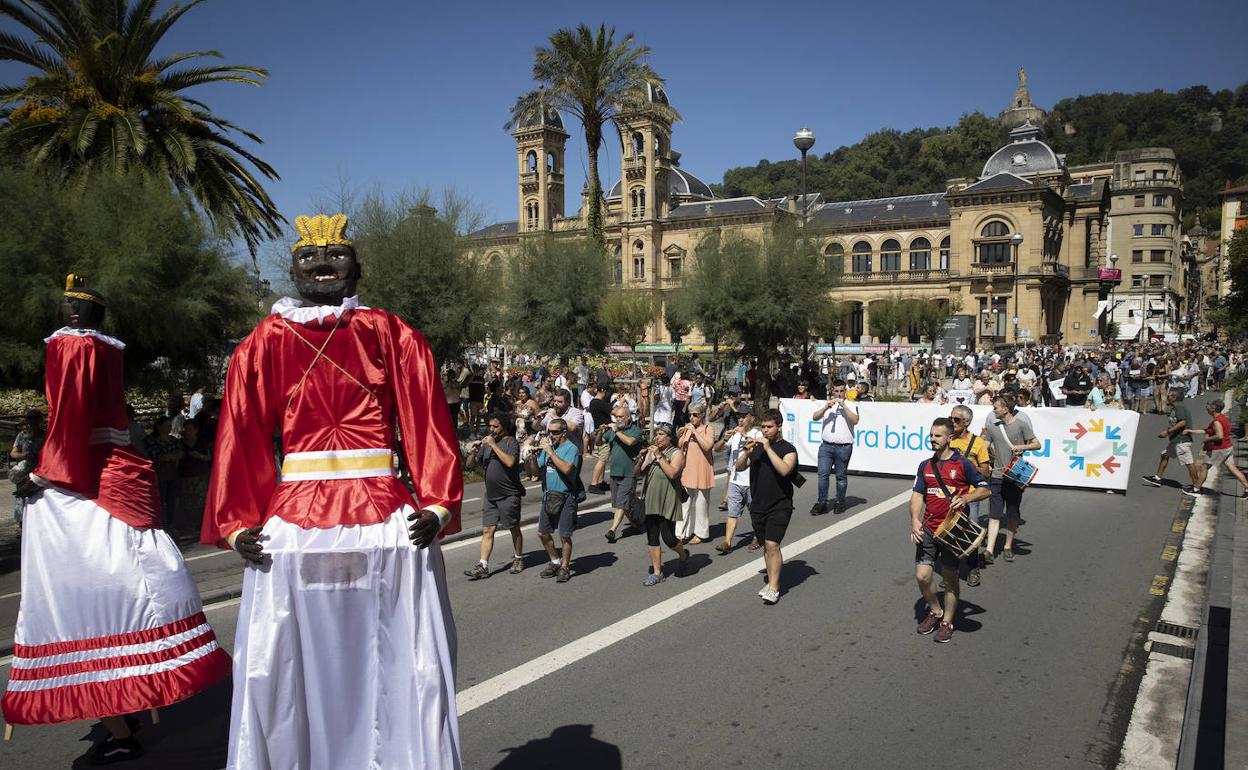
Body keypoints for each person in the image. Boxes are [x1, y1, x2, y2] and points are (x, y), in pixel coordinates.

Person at [201, 215, 463, 768]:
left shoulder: (393, 334)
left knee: (398, 659)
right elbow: (239, 432)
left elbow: (426, 420)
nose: (322, 266)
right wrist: (237, 521)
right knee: (286, 662)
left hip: (388, 517)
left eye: (336, 257)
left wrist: (437, 503)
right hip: (294, 524)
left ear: (358, 268)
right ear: (292, 268)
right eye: (308, 259)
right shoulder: (262, 343)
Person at [3, 276, 229, 763]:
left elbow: (71, 417)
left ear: (88, 316)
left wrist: (45, 476)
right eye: (67, 304)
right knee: (113, 578)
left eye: (77, 306)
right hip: (117, 470)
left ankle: (117, 715)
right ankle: (123, 702)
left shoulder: (74, 348)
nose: (71, 312)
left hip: (87, 475)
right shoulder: (107, 350)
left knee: (67, 593)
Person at [911, 417, 991, 644]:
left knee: (950, 578)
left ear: (949, 438)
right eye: (931, 435)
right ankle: (935, 611)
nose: (933, 439)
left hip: (953, 532)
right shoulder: (925, 465)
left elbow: (985, 490)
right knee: (922, 576)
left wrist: (967, 497)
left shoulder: (963, 464)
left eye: (937, 436)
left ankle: (947, 621)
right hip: (928, 529)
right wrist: (915, 520)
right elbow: (917, 495)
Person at [735, 409, 798, 605]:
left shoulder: (788, 449)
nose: (765, 430)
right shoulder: (756, 447)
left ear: (779, 427)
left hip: (780, 504)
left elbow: (785, 469)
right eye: (763, 427)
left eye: (769, 427)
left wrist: (768, 447)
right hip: (758, 504)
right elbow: (739, 467)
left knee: (773, 545)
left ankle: (774, 587)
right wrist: (746, 451)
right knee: (766, 546)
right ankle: (771, 580)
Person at [464, 413, 526, 579]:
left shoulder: (510, 442)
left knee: (513, 527)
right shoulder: (487, 445)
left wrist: (494, 445)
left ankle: (518, 558)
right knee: (488, 529)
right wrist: (474, 451)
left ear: (504, 427)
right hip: (491, 495)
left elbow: (510, 462)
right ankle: (483, 565)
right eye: (490, 426)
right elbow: (470, 466)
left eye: (495, 426)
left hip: (509, 494)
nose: (491, 429)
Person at [981, 394, 1041, 563]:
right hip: (997, 476)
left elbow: (1037, 444)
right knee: (994, 513)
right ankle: (989, 550)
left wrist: (1021, 447)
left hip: (1015, 476)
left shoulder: (1021, 425)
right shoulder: (993, 427)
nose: (993, 410)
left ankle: (1008, 546)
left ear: (1005, 409)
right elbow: (984, 447)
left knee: (1012, 513)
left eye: (996, 408)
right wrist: (986, 461)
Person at [527, 417, 581, 583]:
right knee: (543, 532)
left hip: (566, 496)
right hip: (549, 495)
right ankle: (555, 561)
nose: (551, 435)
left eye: (555, 432)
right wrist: (533, 458)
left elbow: (566, 469)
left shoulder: (571, 449)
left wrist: (550, 451)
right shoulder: (548, 448)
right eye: (549, 432)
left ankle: (565, 567)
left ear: (564, 432)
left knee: (565, 535)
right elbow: (537, 471)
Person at [635, 424, 690, 585]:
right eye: (656, 434)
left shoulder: (677, 453)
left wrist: (659, 456)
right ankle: (657, 572)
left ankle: (683, 555)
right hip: (651, 498)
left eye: (661, 434)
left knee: (669, 538)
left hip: (668, 498)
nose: (657, 437)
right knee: (652, 535)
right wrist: (640, 460)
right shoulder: (652, 453)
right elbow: (637, 473)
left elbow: (673, 473)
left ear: (670, 437)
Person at [948, 405, 991, 588]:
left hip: (970, 495)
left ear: (967, 422)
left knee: (970, 532)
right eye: (951, 418)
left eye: (956, 420)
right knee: (950, 533)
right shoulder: (948, 440)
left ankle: (973, 568)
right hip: (949, 495)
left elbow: (986, 472)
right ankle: (951, 571)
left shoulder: (978, 443)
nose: (952, 422)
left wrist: (968, 467)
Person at [714, 402, 761, 554]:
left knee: (755, 512)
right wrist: (723, 437)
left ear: (751, 418)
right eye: (739, 417)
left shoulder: (757, 433)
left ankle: (758, 536)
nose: (740, 420)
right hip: (735, 481)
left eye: (744, 417)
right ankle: (727, 542)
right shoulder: (735, 435)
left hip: (751, 481)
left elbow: (759, 448)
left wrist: (744, 434)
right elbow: (717, 449)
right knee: (732, 513)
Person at [1141, 386, 1201, 496]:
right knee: (1164, 455)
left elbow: (1182, 422)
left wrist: (1167, 432)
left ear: (1174, 397)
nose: (1167, 396)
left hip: (1182, 441)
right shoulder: (1176, 407)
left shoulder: (1180, 407)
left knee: (1189, 463)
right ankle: (1157, 478)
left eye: (1169, 395)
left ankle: (1197, 488)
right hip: (1175, 440)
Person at [811, 380, 858, 516]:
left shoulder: (850, 404)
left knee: (841, 476)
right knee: (823, 475)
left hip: (843, 447)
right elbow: (815, 417)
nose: (839, 394)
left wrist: (844, 406)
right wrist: (826, 407)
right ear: (832, 391)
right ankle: (822, 503)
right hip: (826, 446)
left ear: (845, 391)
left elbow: (855, 420)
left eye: (841, 391)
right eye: (836, 391)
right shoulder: (827, 404)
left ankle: (840, 502)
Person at [602, 406, 644, 544]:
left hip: (628, 473)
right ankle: (636, 524)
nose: (618, 419)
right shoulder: (613, 430)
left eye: (621, 417)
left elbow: (630, 442)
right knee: (623, 504)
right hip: (614, 473)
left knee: (621, 503)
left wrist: (617, 431)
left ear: (628, 417)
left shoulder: (635, 430)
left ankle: (612, 530)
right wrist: (600, 431)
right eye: (617, 417)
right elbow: (599, 442)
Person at [1191, 400, 1248, 497]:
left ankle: (1196, 489)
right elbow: (1210, 430)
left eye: (1210, 406)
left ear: (1214, 409)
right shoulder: (1223, 418)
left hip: (1218, 449)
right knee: (1233, 468)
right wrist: (1192, 431)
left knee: (1204, 467)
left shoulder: (1217, 421)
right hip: (1227, 447)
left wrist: (1207, 440)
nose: (1207, 407)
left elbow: (1219, 435)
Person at [676, 403, 715, 545]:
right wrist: (680, 435)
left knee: (701, 505)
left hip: (702, 471)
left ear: (702, 415)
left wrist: (694, 432)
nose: (692, 418)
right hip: (687, 470)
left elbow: (707, 446)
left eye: (695, 415)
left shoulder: (708, 429)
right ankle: (681, 533)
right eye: (690, 415)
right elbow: (680, 445)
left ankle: (701, 533)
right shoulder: (688, 429)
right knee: (684, 503)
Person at [8, 410, 44, 528]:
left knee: (38, 497)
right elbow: (13, 453)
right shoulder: (22, 435)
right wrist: (23, 455)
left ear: (40, 420)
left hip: (40, 471)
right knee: (22, 497)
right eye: (30, 418)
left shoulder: (46, 435)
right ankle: (22, 525)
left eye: (35, 418)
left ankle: (37, 525)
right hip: (24, 471)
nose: (32, 421)